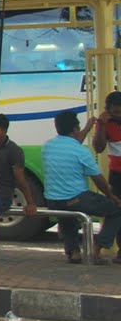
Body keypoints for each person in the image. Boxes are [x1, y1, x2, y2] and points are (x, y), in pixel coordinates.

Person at [40, 109, 121, 264]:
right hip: (76, 198)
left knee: (67, 215)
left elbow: (72, 143)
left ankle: (74, 252)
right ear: (75, 129)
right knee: (116, 209)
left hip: (52, 200)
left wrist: (87, 127)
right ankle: (97, 249)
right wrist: (112, 197)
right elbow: (98, 179)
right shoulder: (81, 151)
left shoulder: (48, 146)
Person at [0, 114, 40, 224]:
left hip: (1, 195)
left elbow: (20, 179)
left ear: (4, 131)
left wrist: (30, 203)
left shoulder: (14, 150)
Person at [92, 91, 121, 198]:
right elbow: (99, 148)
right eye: (116, 112)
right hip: (117, 174)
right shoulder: (104, 123)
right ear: (108, 109)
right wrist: (102, 126)